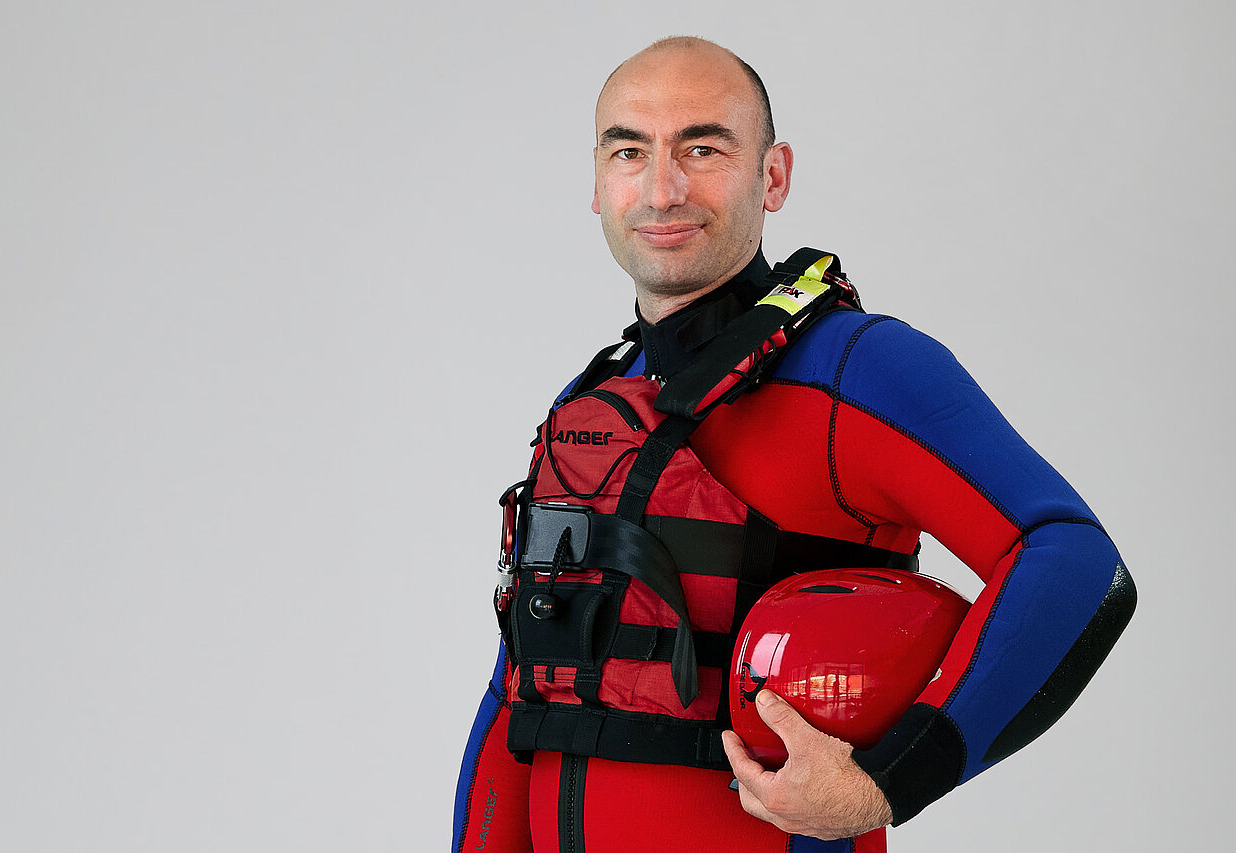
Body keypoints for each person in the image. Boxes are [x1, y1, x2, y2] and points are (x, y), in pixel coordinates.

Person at [453, 36, 1135, 853]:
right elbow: (522, 689)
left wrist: (893, 780)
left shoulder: (857, 370)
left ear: (772, 176)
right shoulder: (588, 410)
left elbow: (1075, 562)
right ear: (599, 184)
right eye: (630, 151)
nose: (663, 188)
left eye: (703, 148)